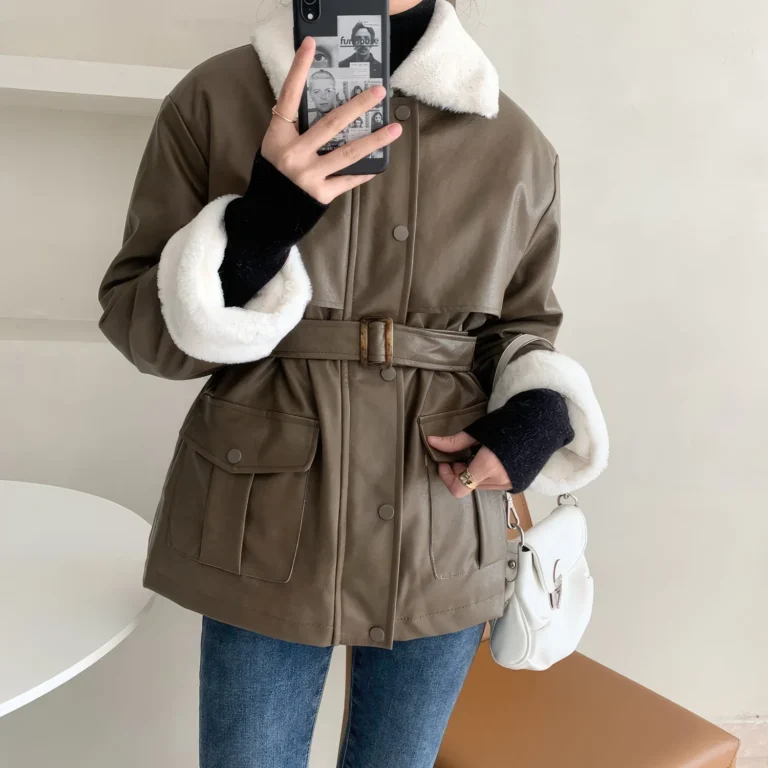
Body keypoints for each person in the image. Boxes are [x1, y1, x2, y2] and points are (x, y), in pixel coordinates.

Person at [96, 0, 609, 766]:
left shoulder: (513, 141)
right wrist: (262, 225)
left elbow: (522, 329)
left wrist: (534, 415)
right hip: (268, 520)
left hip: (440, 517)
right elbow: (141, 328)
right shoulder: (217, 99)